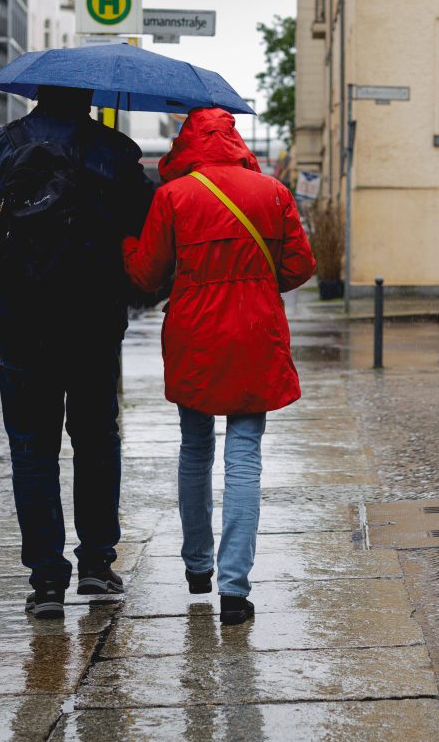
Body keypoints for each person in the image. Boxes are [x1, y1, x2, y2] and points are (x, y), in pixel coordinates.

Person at [0, 85, 153, 619]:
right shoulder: (114, 149)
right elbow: (146, 227)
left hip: (19, 319)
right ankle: (97, 566)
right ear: (87, 95)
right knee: (96, 439)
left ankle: (45, 580)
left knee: (32, 448)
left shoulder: (2, 144)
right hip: (92, 319)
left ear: (36, 93)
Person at [121, 107, 314, 626]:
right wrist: (255, 286)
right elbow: (300, 265)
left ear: (188, 142)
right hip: (256, 334)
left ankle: (198, 567)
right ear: (234, 139)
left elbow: (145, 275)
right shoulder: (271, 192)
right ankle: (235, 590)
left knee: (194, 449)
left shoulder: (173, 196)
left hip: (195, 334)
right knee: (245, 456)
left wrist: (127, 244)